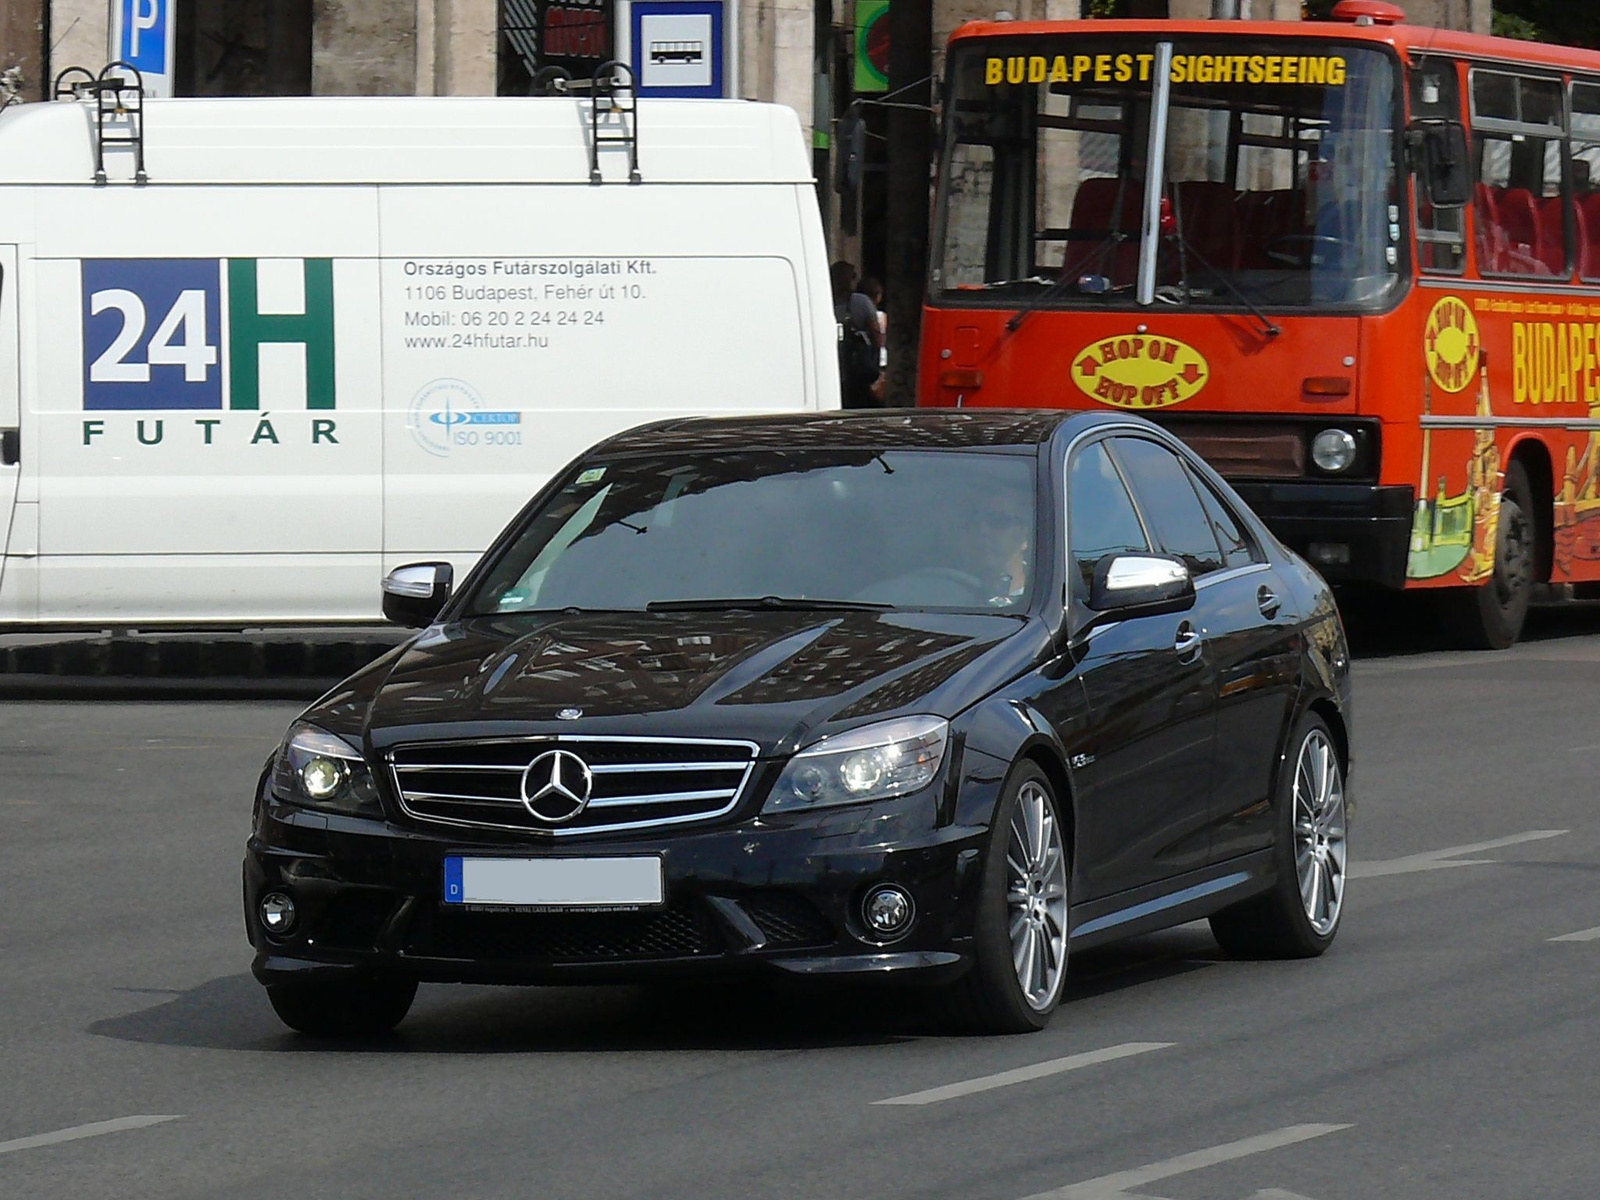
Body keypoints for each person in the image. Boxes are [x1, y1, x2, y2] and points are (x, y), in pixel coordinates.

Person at [831, 260, 882, 408]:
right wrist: (877, 359)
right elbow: (875, 331)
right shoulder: (861, 301)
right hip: (859, 367)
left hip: (836, 365)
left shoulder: (824, 301)